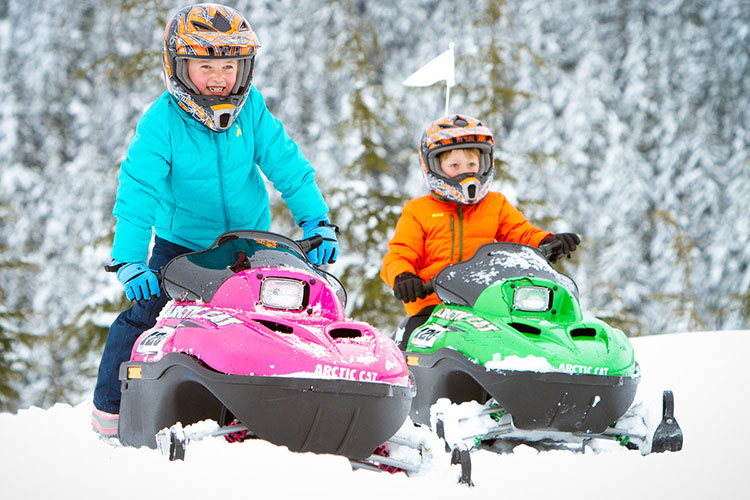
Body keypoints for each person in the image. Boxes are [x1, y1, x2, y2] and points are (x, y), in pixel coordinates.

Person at [91, 3, 339, 438]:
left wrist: (316, 220)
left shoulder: (252, 109)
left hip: (251, 245)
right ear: (178, 68)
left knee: (290, 307)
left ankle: (298, 391)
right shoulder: (161, 123)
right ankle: (110, 411)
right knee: (146, 314)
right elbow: (138, 192)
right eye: (205, 65)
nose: (219, 77)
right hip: (183, 247)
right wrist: (129, 261)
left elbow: (286, 166)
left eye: (229, 65)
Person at [380, 114, 579, 349]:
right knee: (412, 340)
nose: (466, 173)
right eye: (455, 166)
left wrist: (549, 241)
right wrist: (403, 277)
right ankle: (408, 376)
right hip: (434, 305)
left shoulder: (495, 205)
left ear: (484, 164)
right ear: (434, 167)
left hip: (488, 302)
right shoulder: (418, 210)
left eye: (472, 165)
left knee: (526, 336)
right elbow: (399, 253)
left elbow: (521, 233)